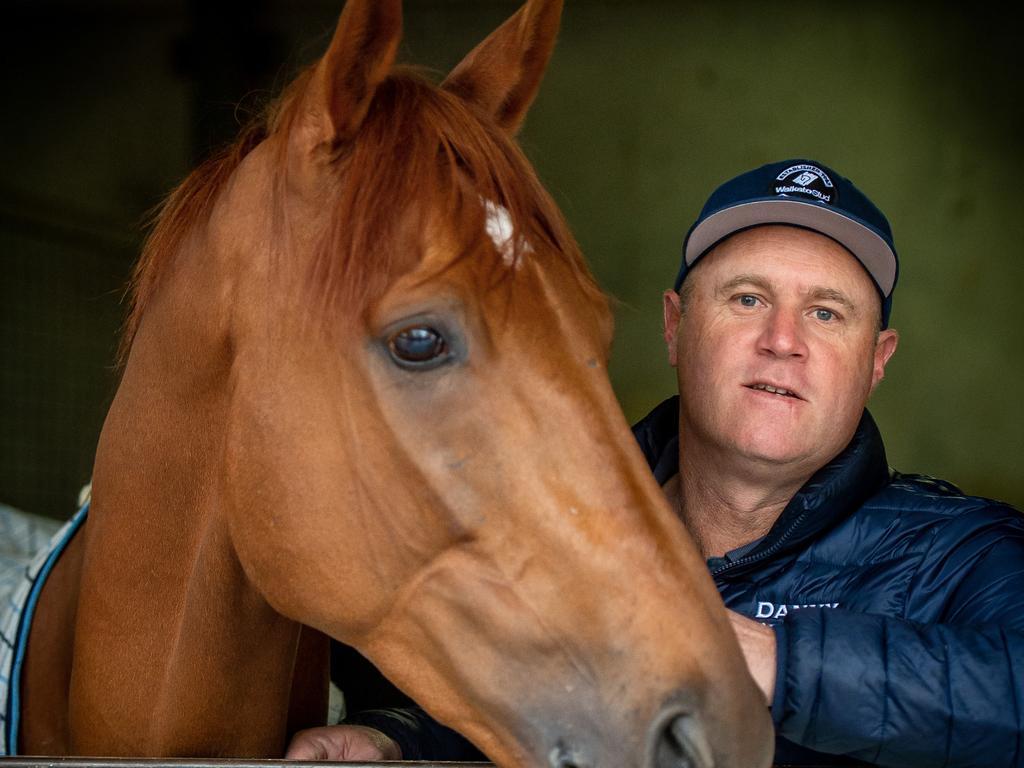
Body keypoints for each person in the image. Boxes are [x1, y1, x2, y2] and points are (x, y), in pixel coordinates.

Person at [288, 159, 1024, 766]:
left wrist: (777, 663)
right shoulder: (550, 542)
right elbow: (515, 706)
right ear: (675, 327)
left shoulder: (962, 555)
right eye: (746, 298)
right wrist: (399, 742)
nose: (782, 340)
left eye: (826, 313)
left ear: (875, 363)